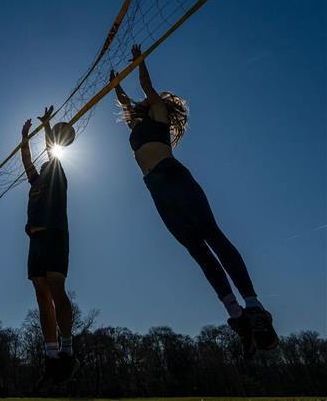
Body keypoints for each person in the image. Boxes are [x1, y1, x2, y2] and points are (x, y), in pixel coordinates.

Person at [110, 44, 279, 358]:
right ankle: (237, 315)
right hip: (156, 189)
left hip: (174, 177)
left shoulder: (159, 112)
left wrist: (139, 62)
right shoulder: (138, 123)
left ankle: (254, 306)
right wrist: (116, 86)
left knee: (212, 235)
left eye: (149, 98)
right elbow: (126, 101)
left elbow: (146, 87)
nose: (145, 99)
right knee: (196, 250)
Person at [20, 106, 79, 385]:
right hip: (36, 240)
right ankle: (51, 356)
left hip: (55, 235)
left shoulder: (57, 171)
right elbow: (27, 161)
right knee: (40, 293)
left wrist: (46, 125)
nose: (44, 163)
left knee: (56, 289)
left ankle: (67, 349)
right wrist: (23, 139)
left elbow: (49, 151)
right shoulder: (35, 181)